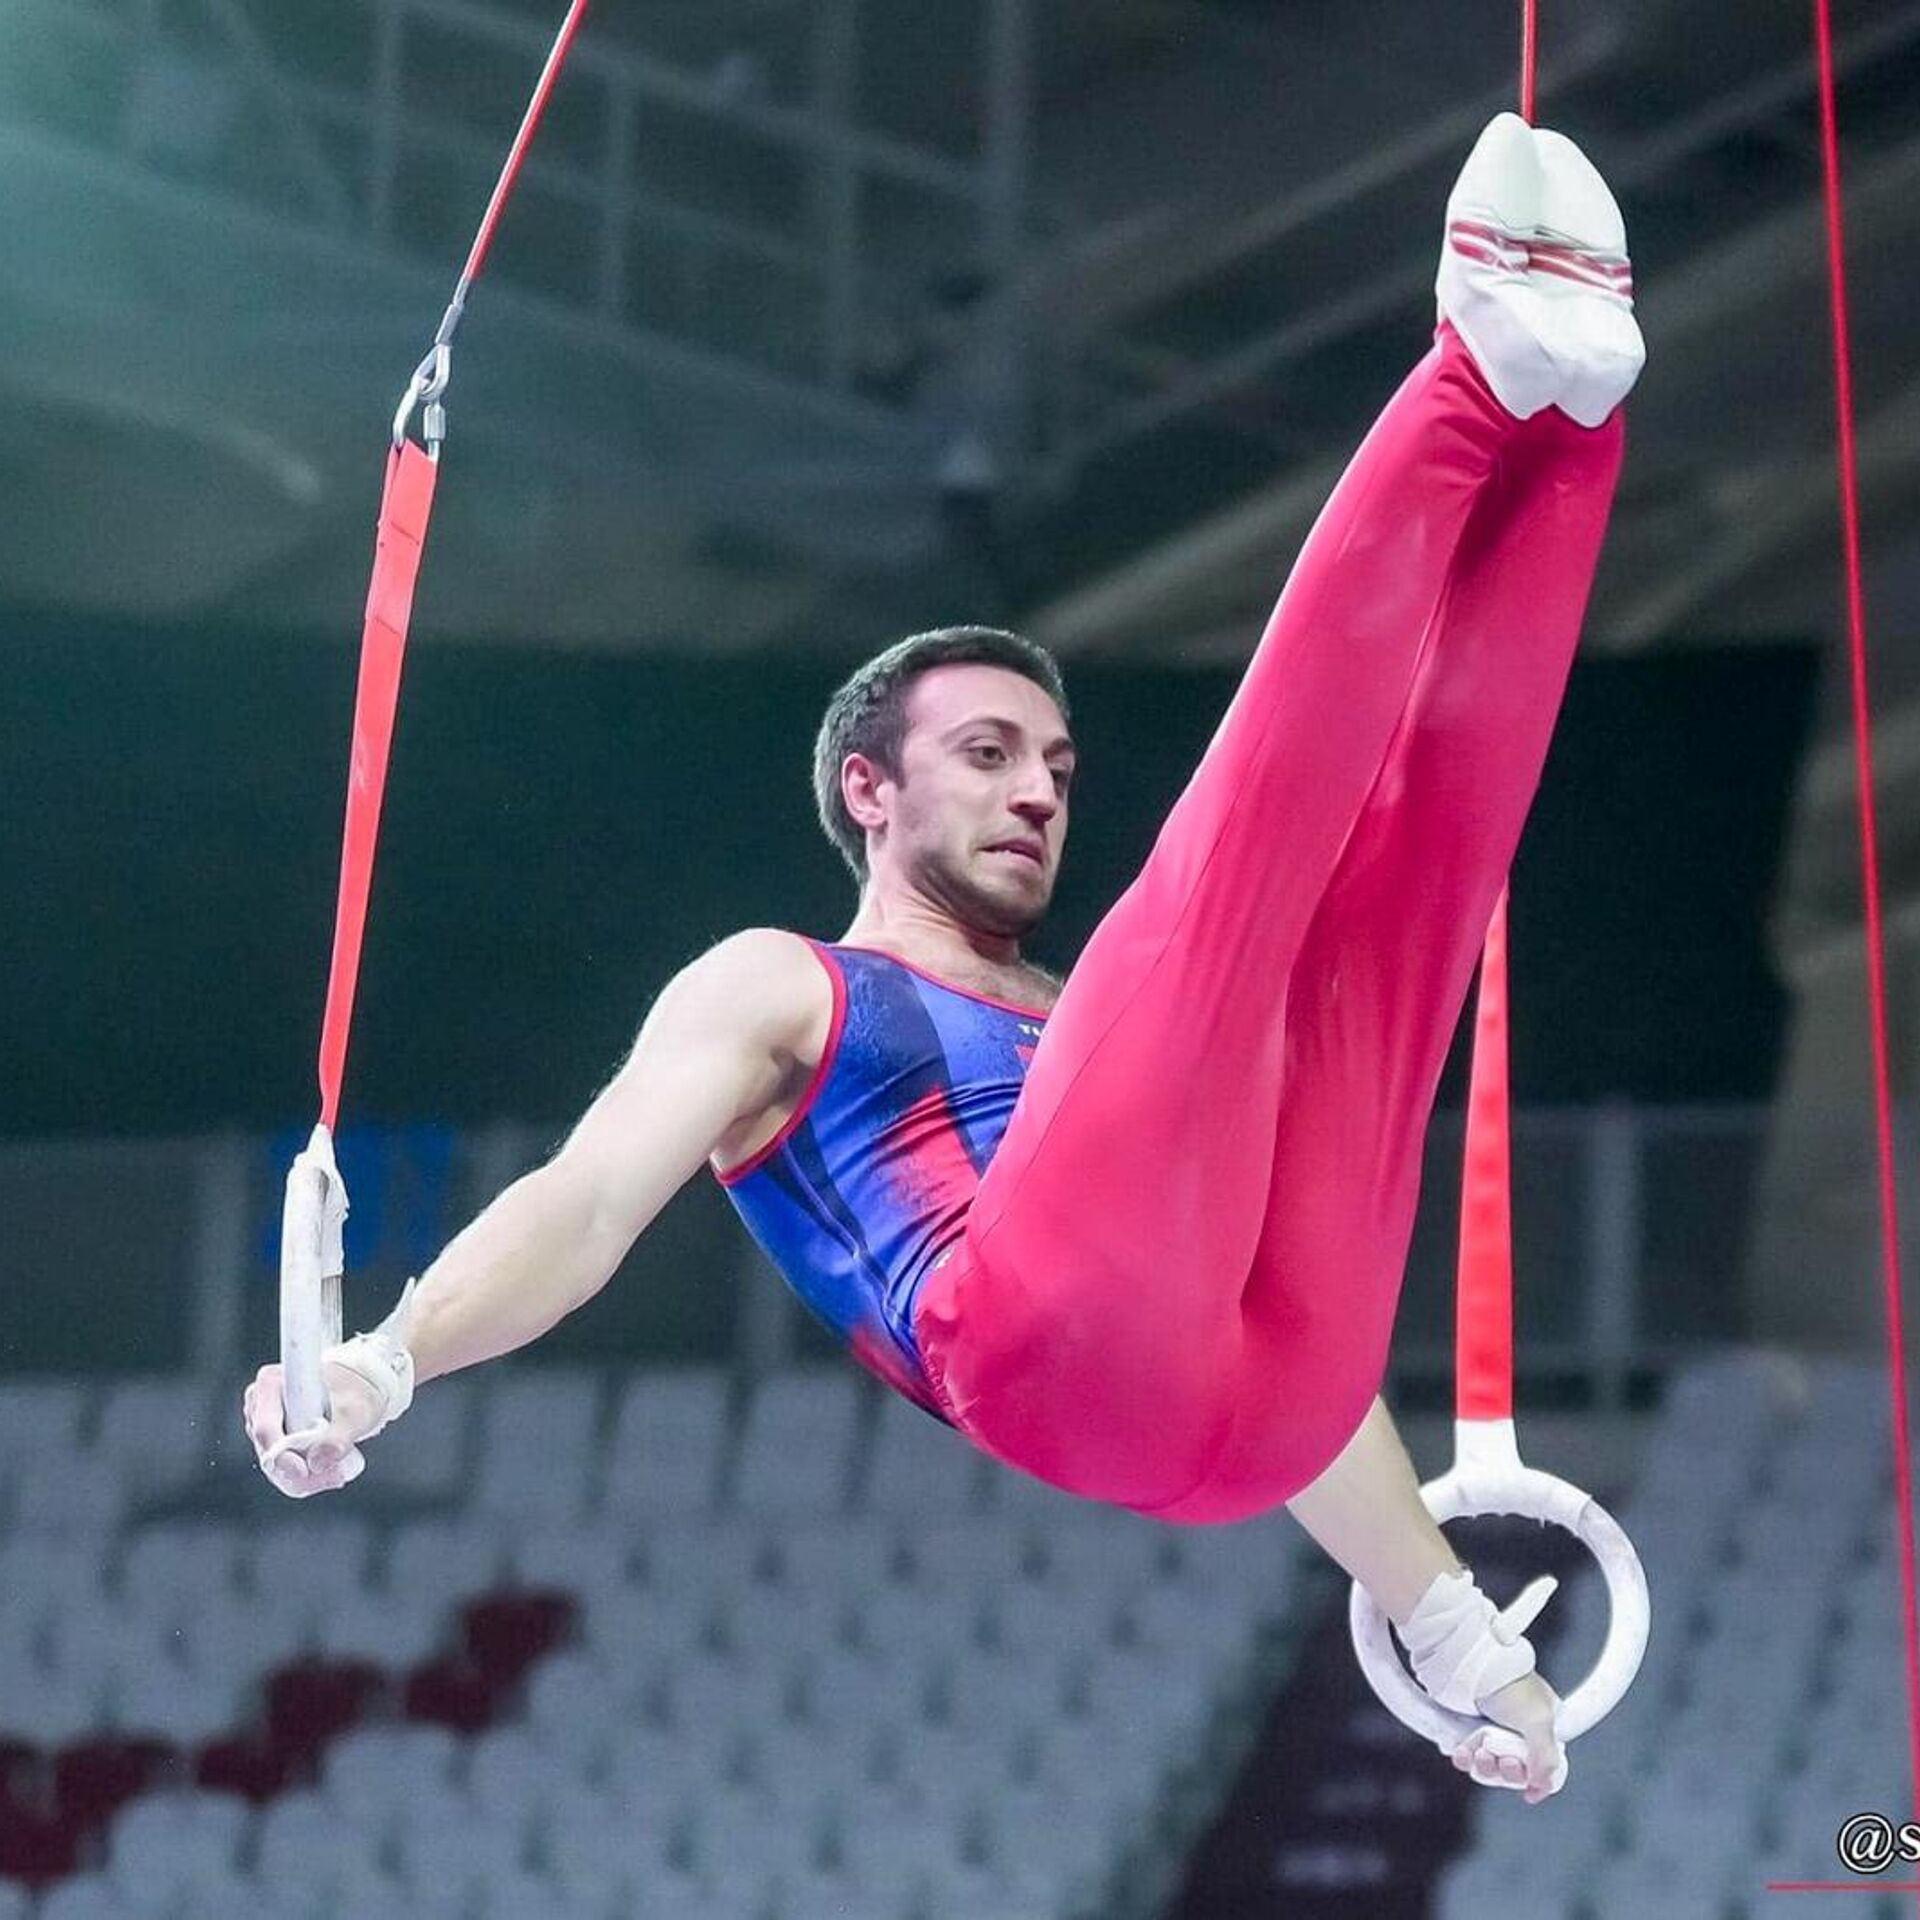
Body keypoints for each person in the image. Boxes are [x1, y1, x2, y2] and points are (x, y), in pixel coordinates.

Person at [245, 114, 1643, 1806]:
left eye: (1055, 765)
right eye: (988, 752)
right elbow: (585, 1201)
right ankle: (1465, 386)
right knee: (1238, 889)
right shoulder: (786, 988)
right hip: (1035, 1353)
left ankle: (1568, 433)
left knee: (1407, 905)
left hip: (1271, 1404)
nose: (1039, 788)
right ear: (868, 787)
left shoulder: (1117, 1037)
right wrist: (389, 1361)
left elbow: (1278, 1323)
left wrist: (1456, 1628)